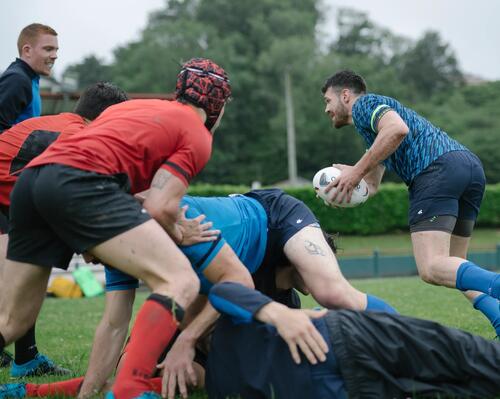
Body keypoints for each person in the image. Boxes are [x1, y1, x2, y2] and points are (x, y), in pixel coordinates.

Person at [0, 58, 233, 399]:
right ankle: (128, 390)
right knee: (180, 281)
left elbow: (129, 198)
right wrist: (181, 231)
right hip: (78, 183)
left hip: (33, 181)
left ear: (178, 90)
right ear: (218, 107)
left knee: (12, 321)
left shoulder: (134, 110)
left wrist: (95, 242)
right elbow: (159, 205)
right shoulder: (197, 135)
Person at [31, 189, 394, 399]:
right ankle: (34, 391)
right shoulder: (119, 252)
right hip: (233, 282)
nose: (81, 258)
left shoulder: (181, 234)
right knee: (147, 373)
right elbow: (113, 324)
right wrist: (89, 391)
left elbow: (235, 285)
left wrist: (185, 341)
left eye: (81, 247)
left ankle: (400, 334)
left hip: (272, 217)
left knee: (330, 292)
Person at [5, 281, 499, 399]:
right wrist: (32, 391)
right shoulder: (204, 384)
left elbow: (226, 288)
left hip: (353, 339)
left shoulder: (221, 332)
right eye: (162, 381)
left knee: (479, 359)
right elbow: (107, 381)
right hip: (352, 388)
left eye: (165, 370)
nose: (173, 380)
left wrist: (277, 314)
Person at [321, 70, 500, 338]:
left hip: (435, 170)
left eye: (327, 100)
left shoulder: (364, 106)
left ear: (345, 95)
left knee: (431, 268)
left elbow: (397, 129)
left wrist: (355, 171)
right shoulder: (373, 133)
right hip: (467, 167)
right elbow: (371, 185)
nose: (327, 109)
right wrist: (346, 188)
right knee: (455, 265)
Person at [0, 81, 129, 377]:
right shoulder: (82, 138)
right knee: (13, 297)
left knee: (25, 281)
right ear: (107, 117)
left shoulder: (54, 123)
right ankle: (25, 359)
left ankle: (27, 359)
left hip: (10, 203)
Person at [0, 23, 58, 132]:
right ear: (27, 51)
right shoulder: (17, 79)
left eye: (56, 50)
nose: (55, 55)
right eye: (48, 49)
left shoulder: (30, 78)